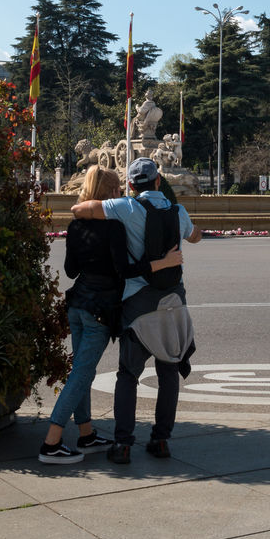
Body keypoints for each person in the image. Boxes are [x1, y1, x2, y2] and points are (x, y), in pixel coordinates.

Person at [39, 167, 183, 465]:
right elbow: (125, 271)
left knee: (81, 370)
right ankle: (51, 442)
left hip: (78, 303)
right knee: (82, 373)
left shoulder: (76, 226)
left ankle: (86, 433)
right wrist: (163, 263)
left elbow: (70, 271)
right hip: (100, 310)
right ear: (111, 192)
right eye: (117, 189)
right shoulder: (115, 227)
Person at [72, 156, 200, 464]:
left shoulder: (125, 207)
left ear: (130, 185)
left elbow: (80, 210)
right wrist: (189, 231)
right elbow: (195, 236)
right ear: (158, 181)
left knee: (128, 375)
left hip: (138, 306)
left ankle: (123, 444)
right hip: (173, 302)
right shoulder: (178, 211)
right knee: (168, 371)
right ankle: (161, 440)